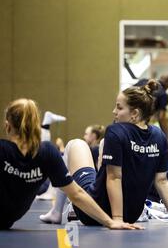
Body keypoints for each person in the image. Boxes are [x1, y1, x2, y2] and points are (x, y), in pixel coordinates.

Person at [40, 80, 168, 227]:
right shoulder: (159, 136)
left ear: (135, 114)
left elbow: (114, 177)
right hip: (131, 215)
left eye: (119, 107)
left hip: (94, 213)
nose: (114, 111)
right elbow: (162, 181)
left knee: (75, 144)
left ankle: (56, 213)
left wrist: (116, 220)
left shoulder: (115, 132)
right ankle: (56, 212)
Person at [0, 98, 142, 230]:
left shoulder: (43, 153)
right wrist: (111, 221)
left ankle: (55, 210)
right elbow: (76, 194)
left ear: (7, 126)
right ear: (37, 125)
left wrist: (112, 221)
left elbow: (77, 194)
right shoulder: (47, 152)